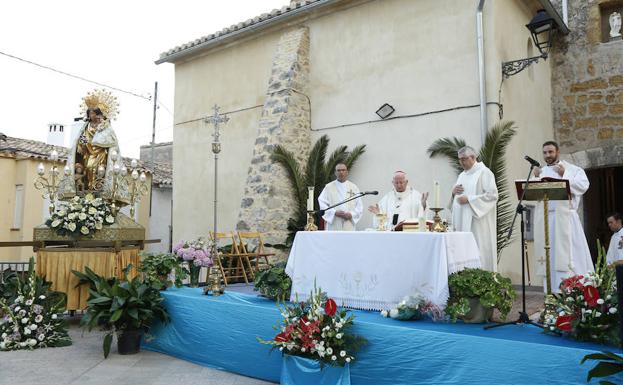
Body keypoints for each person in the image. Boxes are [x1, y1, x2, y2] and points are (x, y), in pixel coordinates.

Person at [533, 141, 593, 292]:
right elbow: (532, 194)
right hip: (546, 221)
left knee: (570, 256)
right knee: (550, 257)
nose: (547, 155)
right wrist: (535, 178)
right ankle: (552, 293)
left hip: (566, 220)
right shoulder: (540, 172)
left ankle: (575, 292)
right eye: (545, 152)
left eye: (550, 152)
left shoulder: (572, 170)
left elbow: (583, 186)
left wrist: (564, 175)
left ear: (558, 152)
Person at [59, 89, 129, 203]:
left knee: (95, 169)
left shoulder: (105, 126)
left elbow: (110, 140)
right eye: (89, 112)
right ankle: (87, 189)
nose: (90, 115)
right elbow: (81, 137)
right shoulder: (86, 126)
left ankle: (96, 189)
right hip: (87, 152)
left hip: (100, 154)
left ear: (97, 113)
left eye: (93, 112)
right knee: (86, 169)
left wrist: (96, 140)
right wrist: (80, 145)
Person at [451, 146, 498, 272]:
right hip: (462, 223)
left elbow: (492, 196)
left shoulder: (484, 172)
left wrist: (470, 200)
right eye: (460, 159)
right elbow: (456, 200)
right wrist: (453, 193)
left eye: (464, 159)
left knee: (479, 252)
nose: (462, 162)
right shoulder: (462, 175)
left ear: (473, 157)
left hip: (478, 224)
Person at [318, 163, 363, 231]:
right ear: (335, 173)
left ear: (347, 172)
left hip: (348, 222)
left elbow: (359, 206)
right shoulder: (328, 187)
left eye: (343, 170)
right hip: (334, 223)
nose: (341, 172)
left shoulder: (354, 187)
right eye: (338, 170)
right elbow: (322, 203)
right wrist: (334, 212)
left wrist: (351, 214)